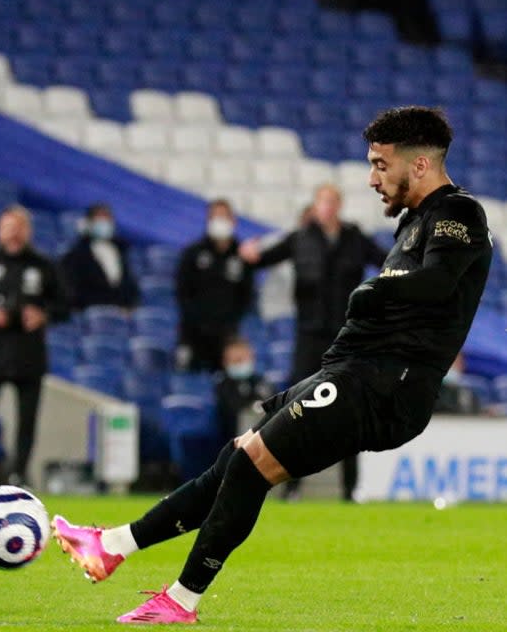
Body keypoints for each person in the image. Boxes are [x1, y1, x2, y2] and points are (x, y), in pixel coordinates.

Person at [51, 106, 491, 624]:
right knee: (236, 456)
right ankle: (113, 546)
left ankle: (180, 598)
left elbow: (439, 283)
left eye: (379, 165)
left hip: (384, 384)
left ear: (418, 166)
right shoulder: (414, 222)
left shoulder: (458, 213)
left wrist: (375, 287)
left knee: (251, 462)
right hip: (353, 371)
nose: (372, 178)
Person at [239, 183, 387, 501]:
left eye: (333, 202)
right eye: (323, 202)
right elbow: (265, 258)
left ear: (339, 205)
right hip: (309, 336)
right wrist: (251, 257)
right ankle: (291, 485)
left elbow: (388, 262)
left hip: (347, 336)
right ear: (316, 205)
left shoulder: (354, 238)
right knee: (297, 409)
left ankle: (350, 489)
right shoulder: (301, 238)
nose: (328, 207)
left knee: (351, 410)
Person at [0, 206, 69, 486]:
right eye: (8, 227)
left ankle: (19, 472)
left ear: (28, 231)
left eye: (19, 227)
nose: (14, 233)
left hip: (29, 355)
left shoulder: (43, 266)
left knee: (27, 420)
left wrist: (44, 315)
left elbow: (65, 304)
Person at [175, 200, 253, 371]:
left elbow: (247, 295)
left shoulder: (242, 256)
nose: (219, 221)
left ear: (233, 221)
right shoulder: (193, 253)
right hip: (195, 334)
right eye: (215, 217)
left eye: (223, 216)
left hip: (227, 338)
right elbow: (182, 292)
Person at [60, 203, 140, 311]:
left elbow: (130, 286)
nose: (104, 223)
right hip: (91, 313)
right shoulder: (75, 255)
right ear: (89, 223)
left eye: (107, 219)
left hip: (120, 318)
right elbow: (74, 291)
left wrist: (128, 307)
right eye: (99, 219)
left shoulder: (122, 252)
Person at [213, 337, 275, 449]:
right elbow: (231, 410)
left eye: (242, 359)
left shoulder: (261, 382)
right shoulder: (222, 386)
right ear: (225, 362)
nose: (240, 364)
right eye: (235, 361)